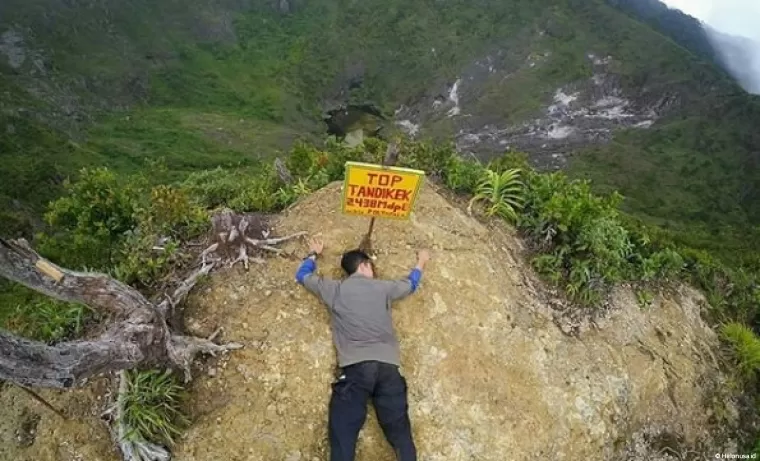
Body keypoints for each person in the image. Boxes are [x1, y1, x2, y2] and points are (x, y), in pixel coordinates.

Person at [294, 236, 430, 461]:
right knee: (401, 436)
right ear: (364, 265)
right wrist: (422, 261)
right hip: (388, 369)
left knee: (343, 435)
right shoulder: (384, 288)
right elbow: (411, 283)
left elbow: (302, 276)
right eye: (372, 267)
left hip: (356, 369)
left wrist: (313, 254)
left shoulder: (334, 289)